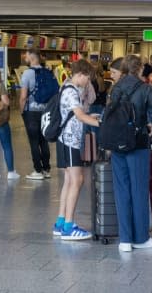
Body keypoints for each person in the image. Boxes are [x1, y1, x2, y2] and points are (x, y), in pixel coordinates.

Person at [110, 55, 152, 252]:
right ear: (140, 69)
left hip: (117, 145)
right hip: (138, 144)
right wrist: (151, 126)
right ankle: (141, 238)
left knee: (122, 190)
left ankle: (125, 240)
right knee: (139, 190)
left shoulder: (116, 88)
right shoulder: (146, 88)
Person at [52, 59, 100, 241]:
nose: (88, 82)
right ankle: (69, 226)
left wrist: (89, 115)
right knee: (77, 179)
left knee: (68, 180)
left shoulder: (64, 87)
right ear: (80, 74)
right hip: (70, 140)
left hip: (63, 140)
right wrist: (98, 123)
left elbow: (75, 114)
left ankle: (61, 221)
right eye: (87, 78)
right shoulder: (72, 90)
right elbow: (79, 116)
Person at [18, 48, 53, 180]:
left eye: (26, 55)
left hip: (31, 112)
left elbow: (23, 96)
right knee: (44, 140)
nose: (25, 57)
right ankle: (46, 169)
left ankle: (37, 170)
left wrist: (22, 110)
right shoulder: (47, 71)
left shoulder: (27, 73)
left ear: (32, 57)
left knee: (33, 141)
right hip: (45, 111)